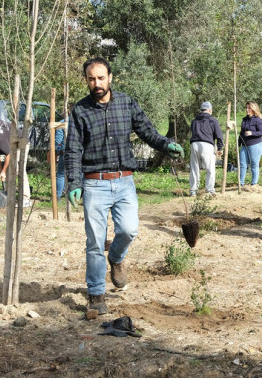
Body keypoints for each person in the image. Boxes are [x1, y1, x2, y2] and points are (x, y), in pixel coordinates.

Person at [65, 57, 184, 315]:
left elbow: (147, 131)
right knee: (95, 242)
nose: (96, 83)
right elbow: (72, 149)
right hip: (94, 183)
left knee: (129, 230)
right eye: (91, 79)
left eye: (100, 78)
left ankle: (116, 258)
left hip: (124, 181)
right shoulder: (80, 110)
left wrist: (166, 144)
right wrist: (74, 182)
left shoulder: (126, 103)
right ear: (86, 80)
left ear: (110, 77)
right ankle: (96, 294)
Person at [189, 101, 224, 196]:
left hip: (194, 144)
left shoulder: (194, 121)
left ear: (201, 110)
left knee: (194, 168)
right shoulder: (213, 120)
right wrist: (220, 148)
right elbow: (219, 135)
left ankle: (193, 191)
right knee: (210, 169)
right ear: (210, 110)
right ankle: (209, 190)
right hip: (207, 145)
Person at [238, 101, 262, 189]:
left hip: (255, 144)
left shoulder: (258, 120)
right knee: (242, 164)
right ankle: (240, 183)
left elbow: (261, 132)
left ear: (253, 109)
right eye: (246, 108)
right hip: (244, 145)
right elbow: (241, 133)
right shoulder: (244, 119)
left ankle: (254, 183)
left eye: (249, 108)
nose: (247, 110)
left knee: (254, 164)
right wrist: (238, 144)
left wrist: (251, 133)